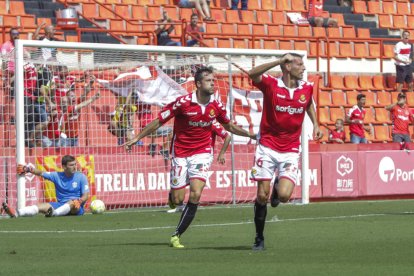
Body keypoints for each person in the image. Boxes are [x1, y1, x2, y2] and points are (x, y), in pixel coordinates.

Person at [124, 67, 256, 248]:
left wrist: (251, 135)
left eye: (214, 80)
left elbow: (229, 127)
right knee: (177, 200)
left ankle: (176, 235)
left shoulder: (216, 106)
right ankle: (172, 195)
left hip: (202, 154)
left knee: (196, 193)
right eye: (209, 80)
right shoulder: (183, 103)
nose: (213, 84)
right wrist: (138, 138)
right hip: (180, 153)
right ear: (199, 84)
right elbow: (158, 121)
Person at [247, 53, 322, 251]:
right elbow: (252, 74)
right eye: (299, 64)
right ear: (288, 67)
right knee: (261, 196)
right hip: (267, 147)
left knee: (284, 197)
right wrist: (278, 61)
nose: (304, 68)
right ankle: (259, 237)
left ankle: (278, 184)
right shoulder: (271, 84)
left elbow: (308, 104)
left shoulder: (306, 87)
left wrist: (315, 124)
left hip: (290, 149)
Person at [167, 120, 232, 213]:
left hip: (203, 156)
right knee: (176, 199)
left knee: (195, 185)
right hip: (184, 155)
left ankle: (191, 207)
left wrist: (222, 154)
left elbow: (227, 136)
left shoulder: (210, 121)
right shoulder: (188, 120)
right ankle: (177, 200)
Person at [2, 155, 90, 218]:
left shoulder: (81, 177)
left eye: (75, 164)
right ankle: (17, 213)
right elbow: (41, 173)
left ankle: (54, 214)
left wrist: (80, 200)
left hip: (76, 207)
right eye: (71, 165)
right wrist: (28, 169)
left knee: (72, 202)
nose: (75, 167)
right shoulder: (56, 175)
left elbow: (86, 195)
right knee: (40, 206)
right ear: (64, 167)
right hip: (60, 205)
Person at [60, 75, 99, 147]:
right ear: (68, 99)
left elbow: (85, 93)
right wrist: (94, 98)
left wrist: (90, 83)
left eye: (74, 95)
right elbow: (84, 103)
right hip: (65, 137)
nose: (74, 97)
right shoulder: (68, 108)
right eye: (71, 96)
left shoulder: (77, 102)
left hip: (75, 137)